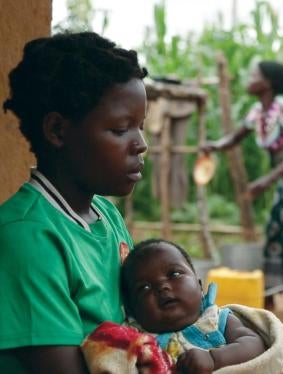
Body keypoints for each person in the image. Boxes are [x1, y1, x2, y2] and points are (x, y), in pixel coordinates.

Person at [0, 32, 148, 373]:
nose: (141, 144)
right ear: (58, 131)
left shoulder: (106, 216)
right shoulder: (28, 238)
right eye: (121, 129)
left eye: (141, 127)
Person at [202, 61, 283, 319]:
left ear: (268, 83)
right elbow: (235, 138)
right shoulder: (256, 113)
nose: (249, 79)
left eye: (255, 76)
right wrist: (214, 146)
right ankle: (269, 294)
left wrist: (267, 180)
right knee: (274, 228)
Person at [120, 239, 266, 373]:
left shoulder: (216, 318)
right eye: (145, 288)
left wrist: (214, 359)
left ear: (199, 285)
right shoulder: (135, 339)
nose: (162, 287)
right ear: (131, 309)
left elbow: (254, 344)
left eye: (174, 274)